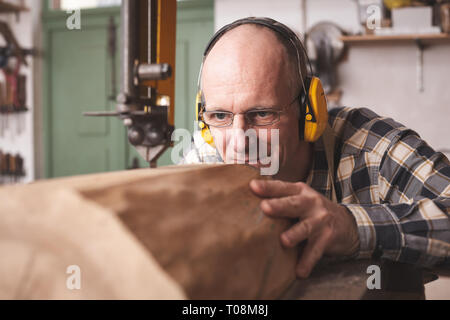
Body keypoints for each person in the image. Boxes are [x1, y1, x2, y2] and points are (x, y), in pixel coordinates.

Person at [181, 17, 450, 278]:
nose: (239, 142)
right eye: (219, 116)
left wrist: (354, 227)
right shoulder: (204, 160)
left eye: (262, 114)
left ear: (308, 111)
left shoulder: (371, 148)